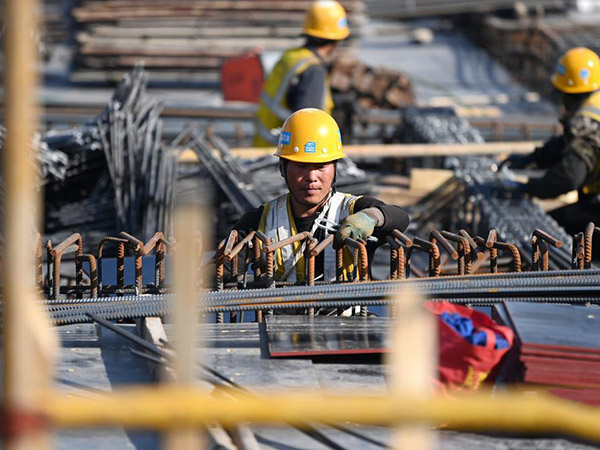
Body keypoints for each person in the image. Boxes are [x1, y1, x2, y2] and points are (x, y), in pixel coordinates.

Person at [235, 108, 410, 283]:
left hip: (346, 311)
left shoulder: (351, 210)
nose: (311, 178)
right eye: (301, 166)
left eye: (320, 166)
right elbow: (222, 269)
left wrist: (371, 218)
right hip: (282, 309)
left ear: (335, 168)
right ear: (282, 168)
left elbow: (400, 217)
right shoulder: (262, 221)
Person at [501, 47, 600, 236]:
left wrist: (531, 188)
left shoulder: (586, 120)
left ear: (569, 94)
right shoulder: (595, 106)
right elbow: (567, 143)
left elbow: (569, 177)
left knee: (544, 234)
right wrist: (533, 158)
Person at [253, 0, 349, 147]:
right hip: (284, 158)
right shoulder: (313, 71)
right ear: (335, 40)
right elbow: (308, 129)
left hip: (263, 148)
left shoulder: (292, 57)